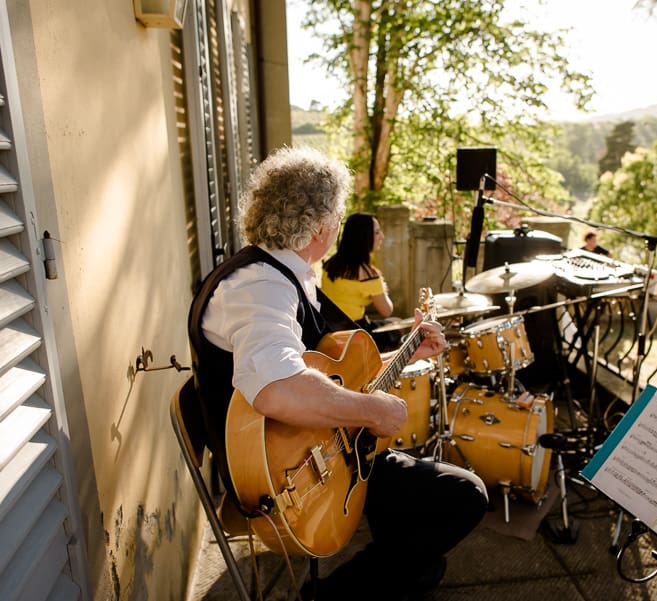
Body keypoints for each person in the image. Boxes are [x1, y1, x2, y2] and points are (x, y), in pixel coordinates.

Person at [188, 147, 488, 601]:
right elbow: (276, 389)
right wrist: (372, 409)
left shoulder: (286, 272)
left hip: (324, 446)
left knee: (425, 514)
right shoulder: (259, 286)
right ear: (322, 226)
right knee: (464, 497)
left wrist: (408, 354)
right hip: (290, 474)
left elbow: (330, 377)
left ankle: (396, 573)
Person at [321, 212, 401, 351]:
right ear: (364, 238)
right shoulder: (369, 275)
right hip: (355, 332)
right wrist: (380, 284)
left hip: (328, 329)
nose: (382, 236)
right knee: (398, 324)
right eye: (376, 233)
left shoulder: (330, 265)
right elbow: (387, 311)